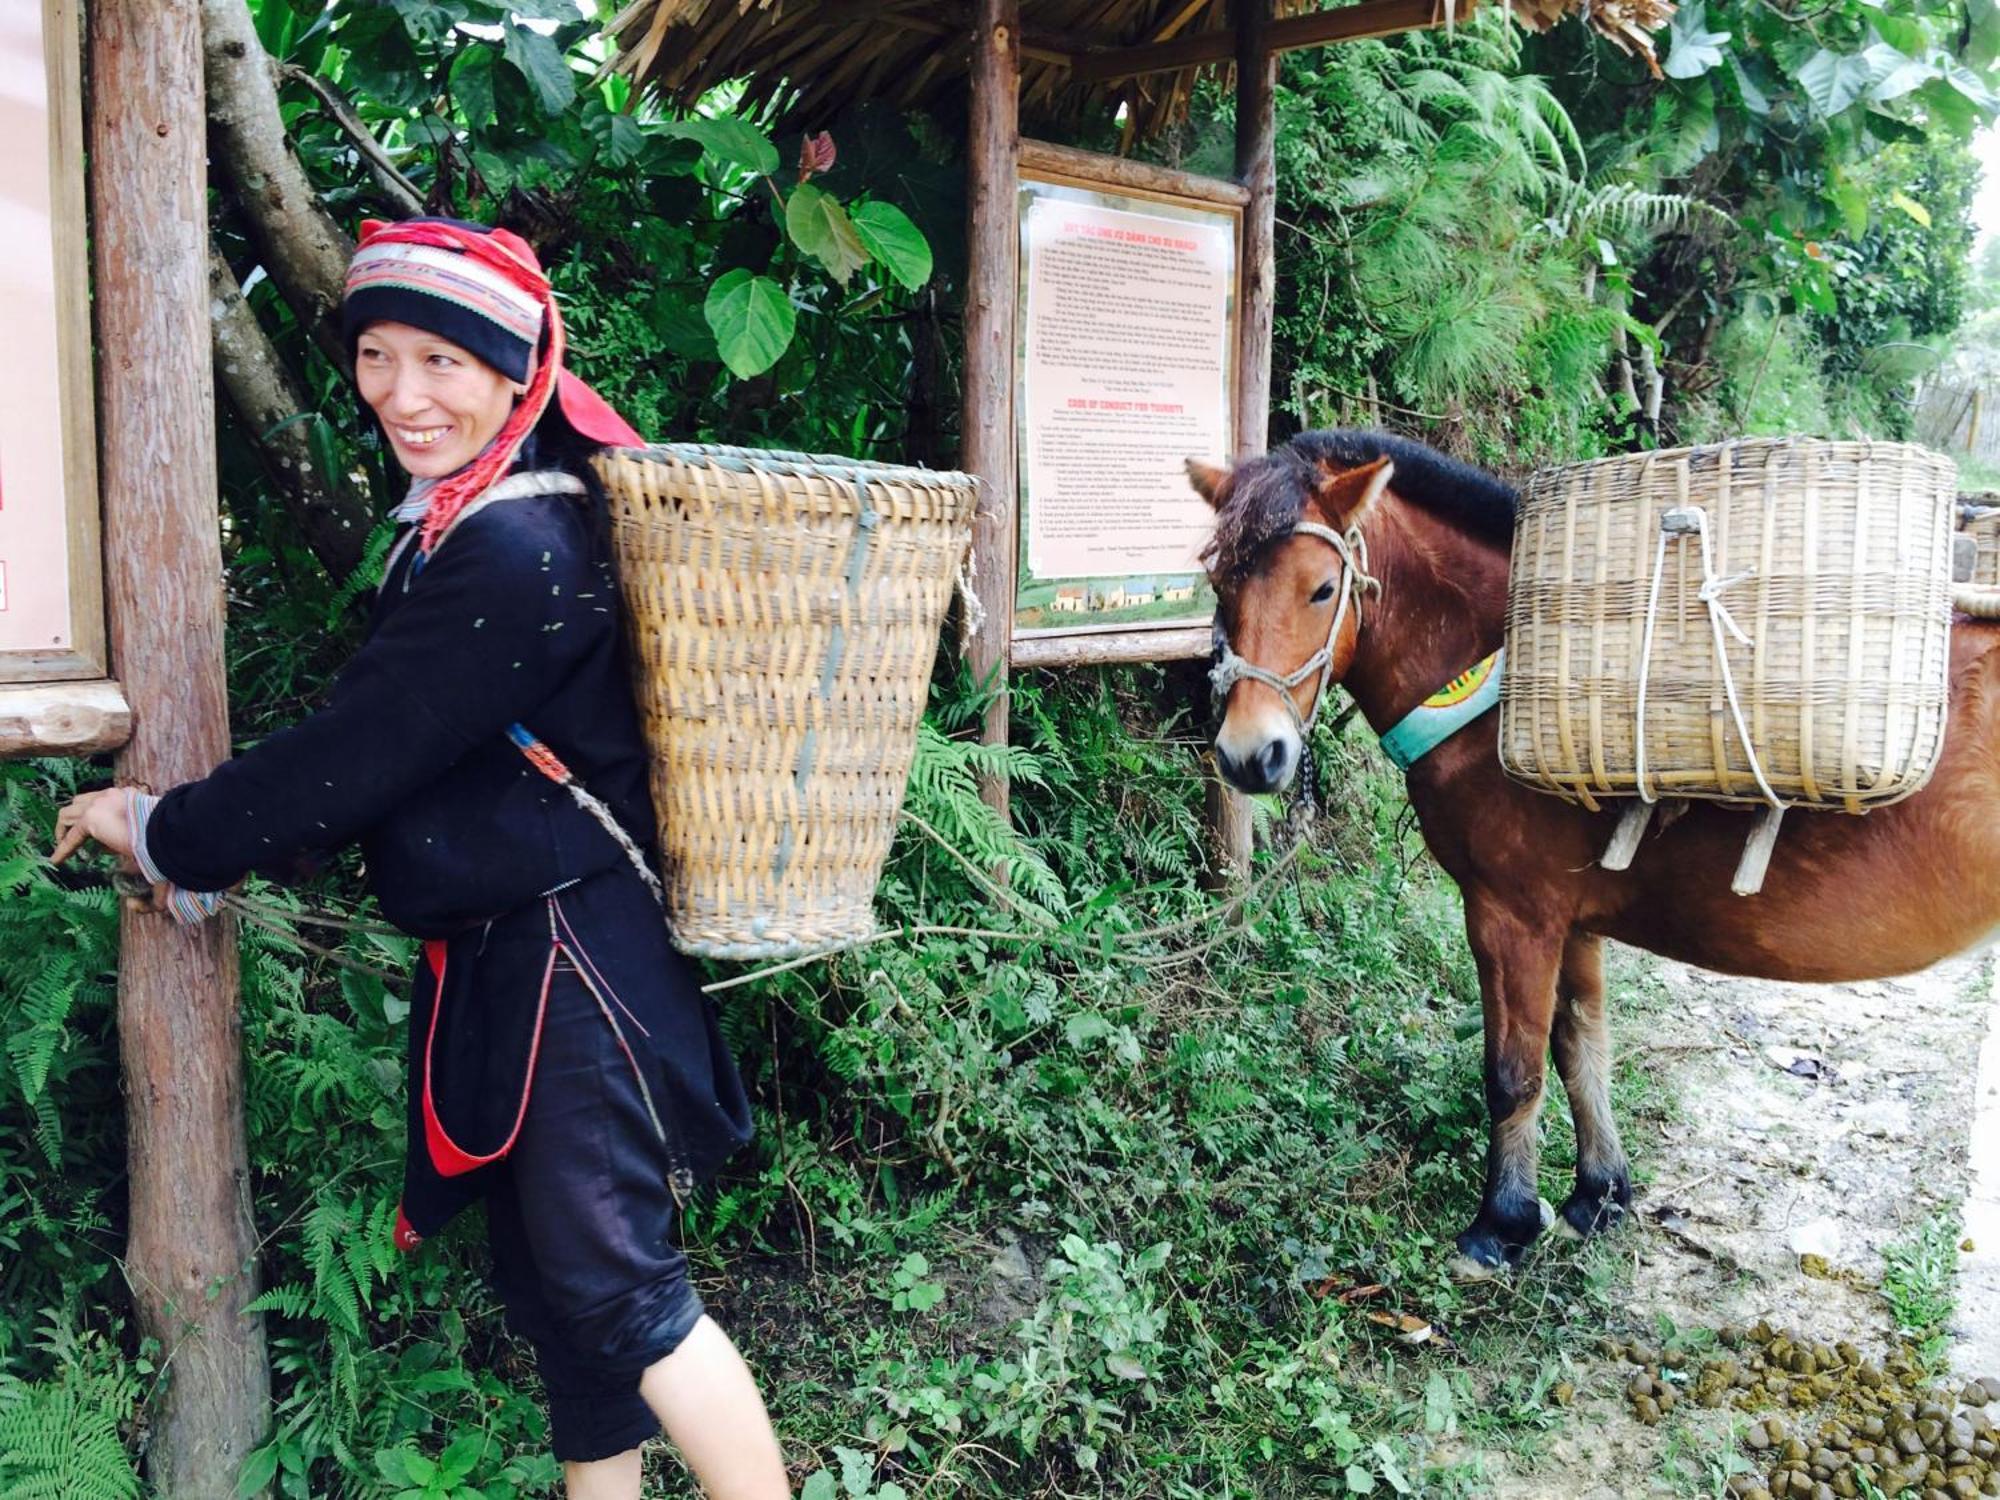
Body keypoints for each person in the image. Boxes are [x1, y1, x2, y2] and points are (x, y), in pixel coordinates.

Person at [51, 217, 790, 1500]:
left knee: (622, 1293)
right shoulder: (477, 521)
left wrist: (166, 828)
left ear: (517, 373)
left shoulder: (519, 546)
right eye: (376, 355)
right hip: (532, 955)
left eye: (443, 360)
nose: (401, 393)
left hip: (570, 966)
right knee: (568, 1302)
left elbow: (358, 752)